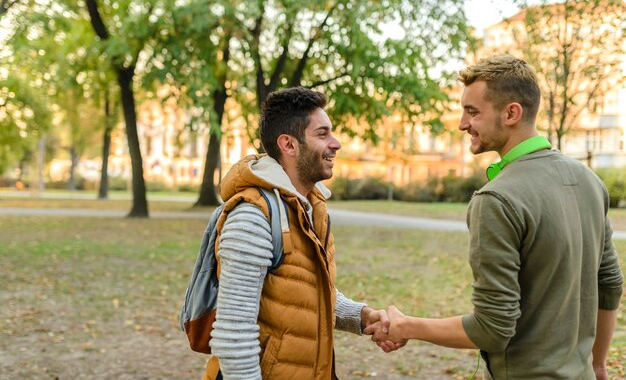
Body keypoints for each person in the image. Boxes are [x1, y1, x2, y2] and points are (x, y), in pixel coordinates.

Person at [367, 54, 624, 379]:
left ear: (512, 113)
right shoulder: (589, 179)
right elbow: (611, 285)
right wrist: (598, 365)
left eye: (472, 112)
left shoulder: (496, 199)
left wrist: (407, 326)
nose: (462, 123)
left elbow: (493, 328)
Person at [203, 87, 393, 380]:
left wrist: (361, 315)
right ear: (288, 145)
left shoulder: (309, 207)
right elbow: (233, 337)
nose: (336, 143)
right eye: (322, 134)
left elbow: (304, 291)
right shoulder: (253, 217)